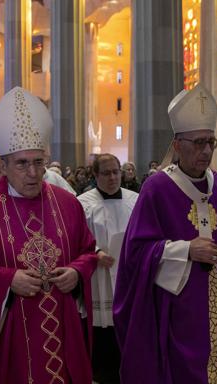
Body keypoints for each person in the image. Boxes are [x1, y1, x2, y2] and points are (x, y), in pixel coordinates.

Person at [0, 87, 98, 383]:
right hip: (8, 341)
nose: (33, 173)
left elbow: (89, 251)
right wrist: (6, 280)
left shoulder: (68, 204)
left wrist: (76, 272)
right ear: (3, 166)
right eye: (22, 164)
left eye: (39, 162)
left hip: (62, 331)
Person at [113, 83, 217, 383]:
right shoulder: (156, 189)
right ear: (178, 145)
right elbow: (136, 253)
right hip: (178, 313)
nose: (206, 150)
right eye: (198, 143)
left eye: (211, 142)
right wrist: (185, 250)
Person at [78, 154, 138, 384]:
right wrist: (94, 253)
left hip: (127, 275)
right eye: (106, 173)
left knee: (127, 327)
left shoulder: (135, 200)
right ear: (95, 175)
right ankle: (102, 375)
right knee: (103, 331)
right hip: (98, 278)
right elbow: (76, 237)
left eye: (116, 172)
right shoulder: (83, 203)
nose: (113, 177)